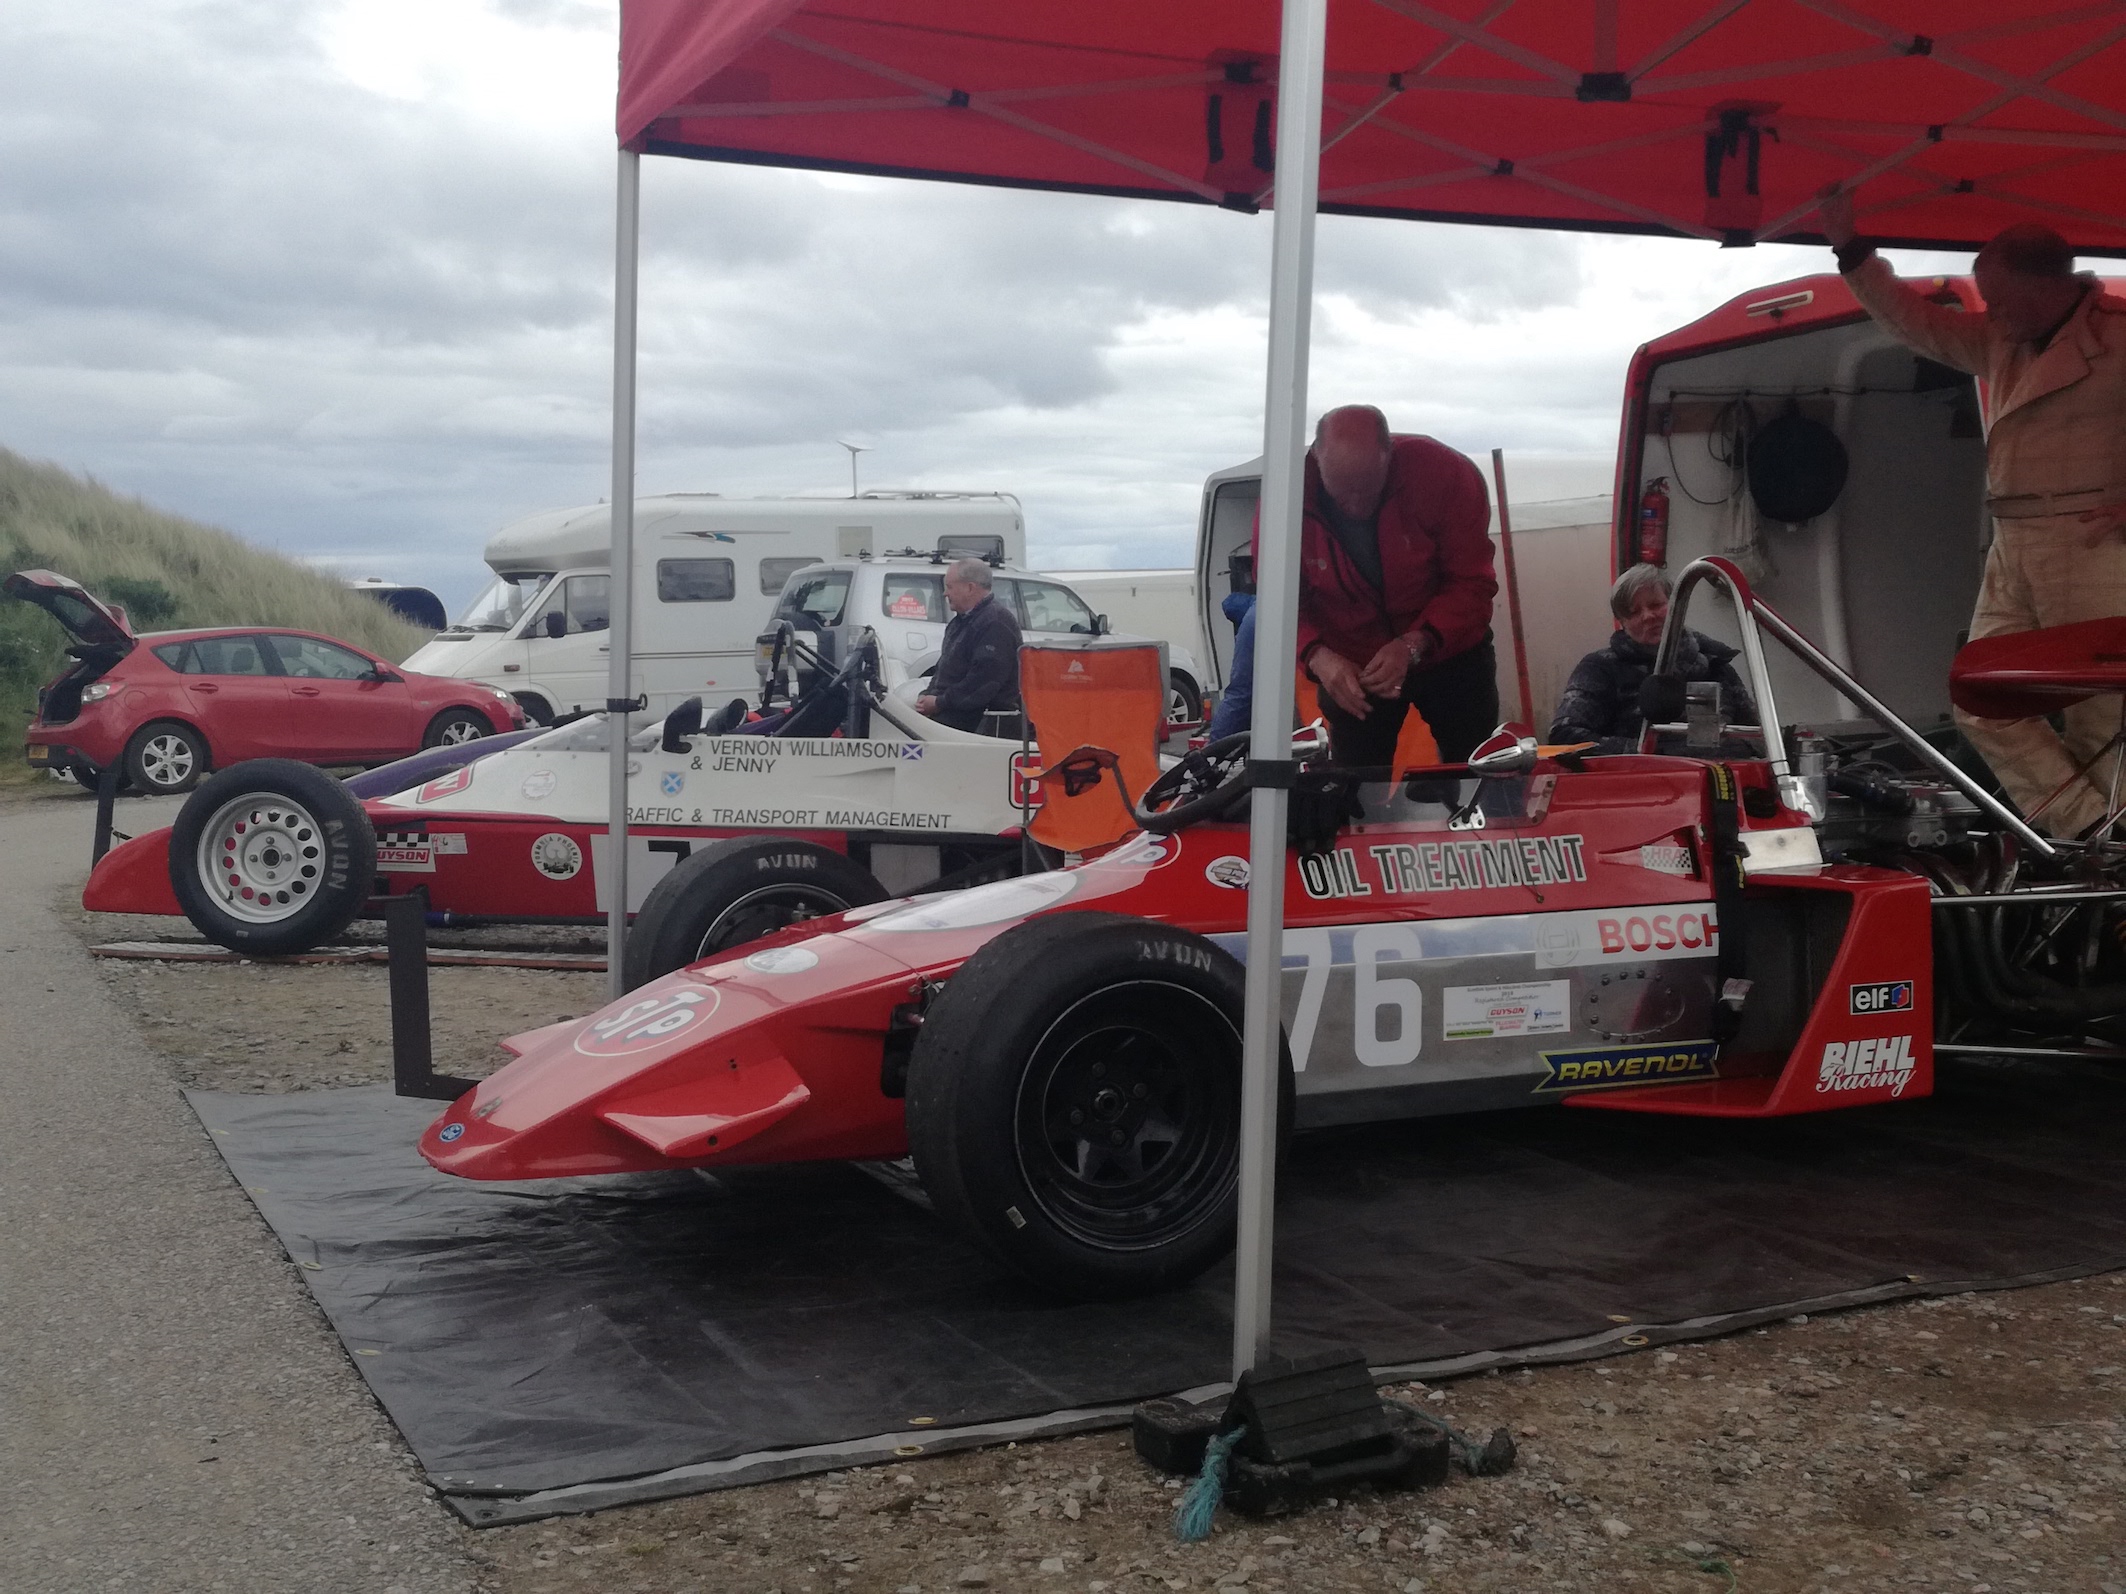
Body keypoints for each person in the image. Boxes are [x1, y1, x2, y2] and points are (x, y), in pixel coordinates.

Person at [1821, 188, 2126, 836]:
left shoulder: (2119, 340)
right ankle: (2094, 830)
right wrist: (1852, 250)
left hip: (2094, 545)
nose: (1991, 310)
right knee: (1980, 698)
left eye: (2000, 297)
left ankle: (2111, 875)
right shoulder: (2001, 342)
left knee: (2103, 718)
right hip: (2012, 546)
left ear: (2047, 286)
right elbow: (1914, 321)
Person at [1294, 405, 1499, 765]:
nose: (1356, 506)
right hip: (1355, 665)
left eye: (1367, 490)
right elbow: (1278, 604)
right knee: (1352, 788)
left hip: (1448, 650)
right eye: (1341, 495)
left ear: (1390, 454)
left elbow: (1472, 583)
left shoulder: (1446, 475)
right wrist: (1318, 657)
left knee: (1475, 771)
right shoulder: (1287, 498)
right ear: (1316, 460)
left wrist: (1414, 643)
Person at [1550, 564, 1756, 753]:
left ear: (1676, 606)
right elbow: (1564, 737)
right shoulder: (1599, 669)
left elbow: (1758, 737)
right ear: (1622, 622)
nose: (1647, 616)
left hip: (1721, 782)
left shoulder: (1715, 663)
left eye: (1656, 604)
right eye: (1633, 612)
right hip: (1639, 786)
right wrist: (1647, 752)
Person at [916, 557, 1022, 732]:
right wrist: (927, 695)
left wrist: (938, 702)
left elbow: (983, 683)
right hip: (954, 716)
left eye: (949, 587)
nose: (945, 593)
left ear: (970, 588)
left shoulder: (995, 624)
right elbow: (944, 669)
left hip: (977, 725)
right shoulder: (961, 622)